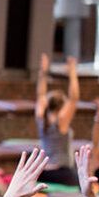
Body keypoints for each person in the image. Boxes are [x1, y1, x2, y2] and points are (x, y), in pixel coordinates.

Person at [35, 54, 80, 186]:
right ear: (62, 107)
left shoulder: (41, 117)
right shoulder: (61, 121)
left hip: (43, 173)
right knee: (81, 179)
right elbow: (74, 98)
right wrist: (72, 72)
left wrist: (43, 72)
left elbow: (40, 94)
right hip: (62, 174)